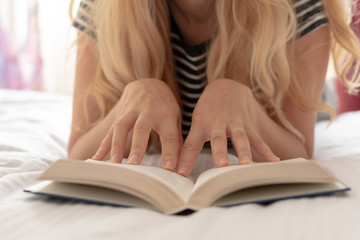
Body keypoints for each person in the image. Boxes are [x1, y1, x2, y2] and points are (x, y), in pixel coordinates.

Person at [68, 0, 360, 177]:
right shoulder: (103, 9)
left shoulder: (300, 7)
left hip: (284, 109)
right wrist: (128, 104)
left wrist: (248, 108)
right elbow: (77, 152)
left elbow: (300, 151)